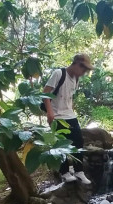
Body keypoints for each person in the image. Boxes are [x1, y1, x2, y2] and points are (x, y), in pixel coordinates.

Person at [43, 54, 93, 185]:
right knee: (61, 144)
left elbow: (69, 97)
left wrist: (71, 109)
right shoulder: (59, 74)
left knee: (78, 142)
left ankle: (79, 171)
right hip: (57, 116)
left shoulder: (76, 79)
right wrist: (50, 112)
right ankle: (64, 172)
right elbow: (45, 93)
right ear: (76, 64)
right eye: (83, 69)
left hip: (70, 115)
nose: (83, 73)